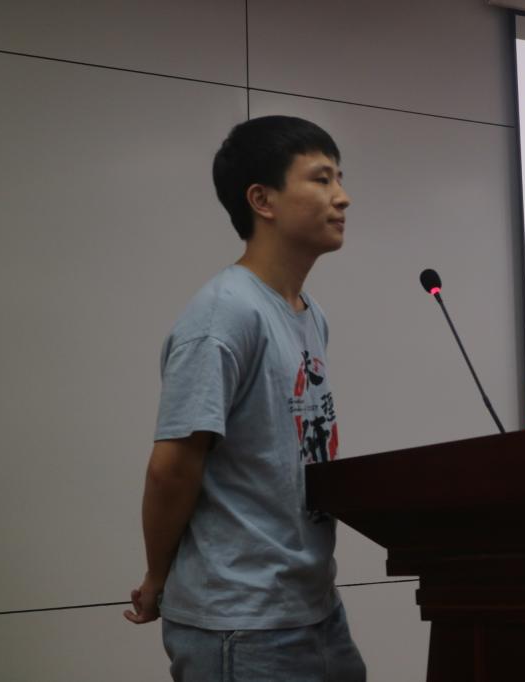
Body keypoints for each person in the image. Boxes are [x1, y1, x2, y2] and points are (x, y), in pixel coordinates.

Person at [124, 115, 366, 682]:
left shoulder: (309, 313)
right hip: (242, 622)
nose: (343, 197)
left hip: (313, 607)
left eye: (339, 179)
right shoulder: (225, 314)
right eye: (322, 179)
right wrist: (158, 576)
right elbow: (171, 467)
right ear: (262, 200)